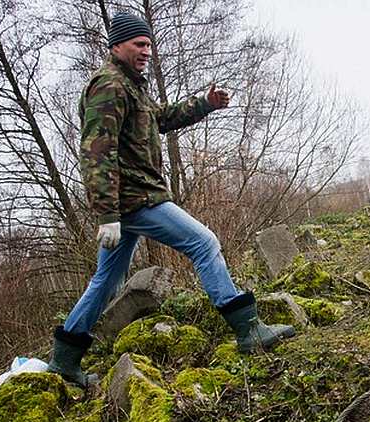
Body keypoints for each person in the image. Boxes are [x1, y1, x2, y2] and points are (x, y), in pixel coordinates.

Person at [47, 11, 294, 387]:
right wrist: (107, 213)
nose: (147, 51)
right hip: (134, 199)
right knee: (203, 241)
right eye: (139, 44)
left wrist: (204, 103)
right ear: (118, 45)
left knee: (107, 281)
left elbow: (160, 118)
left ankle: (64, 362)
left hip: (129, 201)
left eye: (149, 44)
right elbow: (96, 151)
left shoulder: (132, 87)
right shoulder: (109, 86)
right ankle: (248, 329)